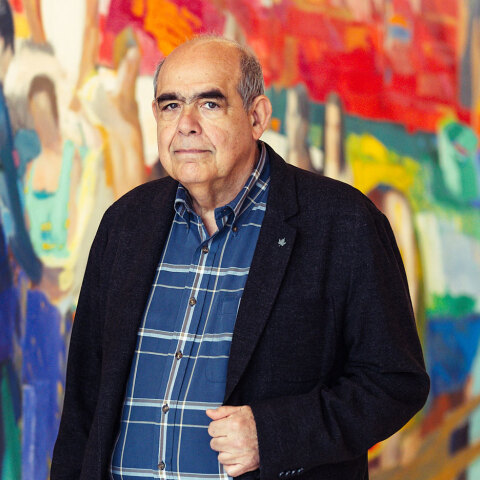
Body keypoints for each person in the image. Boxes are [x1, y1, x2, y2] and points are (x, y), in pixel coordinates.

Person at [51, 35, 429, 480]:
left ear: (257, 117)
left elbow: (394, 382)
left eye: (209, 104)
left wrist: (272, 436)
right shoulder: (124, 224)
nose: (186, 124)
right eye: (170, 106)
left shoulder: (343, 223)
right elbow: (83, 404)